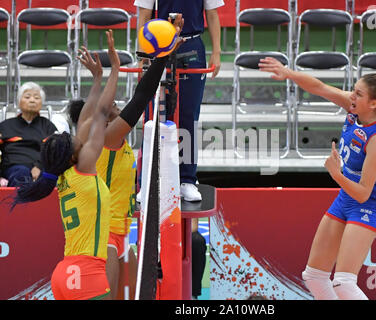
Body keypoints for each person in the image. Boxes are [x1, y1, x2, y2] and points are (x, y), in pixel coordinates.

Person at [259, 57, 376, 300]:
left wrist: (336, 174)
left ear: (374, 103)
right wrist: (289, 73)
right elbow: (319, 87)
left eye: (358, 94)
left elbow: (363, 193)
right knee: (314, 276)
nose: (352, 96)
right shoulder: (353, 110)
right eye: (353, 90)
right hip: (346, 198)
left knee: (343, 283)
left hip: (370, 204)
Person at [68, 15, 185, 300]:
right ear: (103, 119)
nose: (117, 105)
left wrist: (161, 51)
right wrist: (162, 57)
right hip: (104, 235)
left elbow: (138, 96)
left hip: (122, 232)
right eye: (111, 107)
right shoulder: (107, 139)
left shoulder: (105, 139)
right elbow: (140, 99)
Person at [10, 30, 120, 300]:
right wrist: (115, 68)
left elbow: (85, 118)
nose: (76, 135)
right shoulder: (84, 168)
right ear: (74, 155)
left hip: (65, 275)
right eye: (72, 139)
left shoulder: (63, 173)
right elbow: (100, 114)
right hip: (86, 276)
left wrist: (97, 79)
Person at [134, 0, 223, 202]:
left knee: (188, 116)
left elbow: (213, 15)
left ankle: (187, 180)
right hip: (160, 45)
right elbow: (144, 15)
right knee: (153, 116)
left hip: (192, 46)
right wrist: (144, 53)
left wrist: (216, 52)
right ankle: (148, 180)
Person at [0, 82, 57, 187]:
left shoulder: (48, 126)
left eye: (36, 98)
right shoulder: (5, 126)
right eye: (27, 97)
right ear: (19, 101)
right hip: (14, 168)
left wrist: (39, 166)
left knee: (49, 177)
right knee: (21, 174)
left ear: (41, 103)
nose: (32, 100)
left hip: (43, 167)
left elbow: (55, 149)